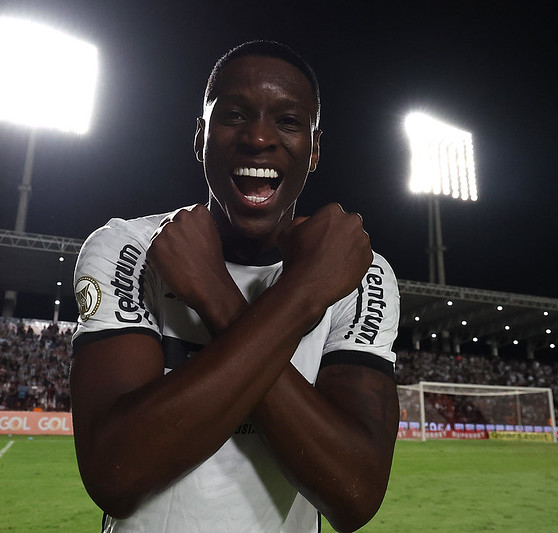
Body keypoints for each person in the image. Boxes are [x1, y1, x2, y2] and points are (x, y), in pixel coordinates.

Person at [70, 40, 400, 533]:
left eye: (288, 121)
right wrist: (304, 293)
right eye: (234, 115)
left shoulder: (362, 274)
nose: (259, 137)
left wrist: (216, 296)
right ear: (200, 136)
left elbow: (355, 494)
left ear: (314, 150)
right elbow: (116, 475)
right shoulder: (129, 248)